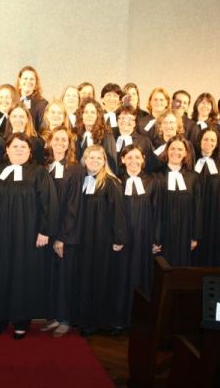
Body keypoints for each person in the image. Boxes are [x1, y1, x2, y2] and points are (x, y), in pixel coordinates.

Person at [0, 133, 58, 339]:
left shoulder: (38, 172)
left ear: (30, 151)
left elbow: (48, 203)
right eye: (14, 146)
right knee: (0, 272)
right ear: (6, 150)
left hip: (27, 235)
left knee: (22, 276)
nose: (19, 150)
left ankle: (21, 320)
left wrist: (44, 230)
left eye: (23, 147)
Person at [75, 145, 126, 335]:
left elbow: (118, 213)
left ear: (104, 160)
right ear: (84, 160)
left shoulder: (111, 183)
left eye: (99, 158)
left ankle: (98, 321)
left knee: (100, 279)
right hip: (83, 239)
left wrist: (118, 237)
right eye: (91, 158)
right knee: (84, 278)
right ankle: (84, 318)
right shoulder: (80, 181)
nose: (95, 161)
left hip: (102, 239)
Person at [42, 126, 83, 338]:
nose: (60, 143)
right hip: (49, 231)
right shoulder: (46, 166)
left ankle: (66, 319)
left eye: (64, 140)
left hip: (66, 234)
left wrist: (61, 237)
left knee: (66, 277)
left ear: (69, 144)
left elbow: (73, 206)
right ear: (50, 142)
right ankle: (55, 317)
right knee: (54, 276)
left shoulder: (75, 169)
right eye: (56, 139)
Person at [116, 145, 155, 324]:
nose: (133, 161)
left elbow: (158, 211)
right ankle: (120, 318)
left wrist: (156, 238)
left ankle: (139, 320)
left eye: (137, 157)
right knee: (121, 274)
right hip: (123, 237)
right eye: (129, 157)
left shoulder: (152, 181)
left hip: (144, 237)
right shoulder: (116, 181)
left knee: (140, 274)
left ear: (143, 159)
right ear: (122, 160)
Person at [153, 136, 201, 267]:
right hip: (163, 232)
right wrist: (155, 237)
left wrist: (195, 236)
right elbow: (154, 208)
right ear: (167, 151)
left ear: (186, 153)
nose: (176, 152)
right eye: (172, 148)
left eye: (180, 149)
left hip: (184, 233)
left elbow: (196, 207)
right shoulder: (157, 176)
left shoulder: (193, 177)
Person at [192, 127, 220, 267]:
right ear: (200, 141)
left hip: (214, 212)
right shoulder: (192, 162)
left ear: (217, 143)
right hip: (195, 210)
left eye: (213, 140)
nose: (209, 143)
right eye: (206, 139)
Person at [75, 98, 118, 173]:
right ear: (81, 115)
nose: (89, 115)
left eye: (93, 112)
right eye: (86, 112)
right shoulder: (77, 135)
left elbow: (111, 165)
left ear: (98, 116)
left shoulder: (107, 136)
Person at [15, 66, 48, 132]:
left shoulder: (42, 104)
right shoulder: (13, 100)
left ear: (36, 83)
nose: (28, 81)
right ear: (19, 81)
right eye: (25, 78)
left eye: (31, 79)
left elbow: (43, 129)